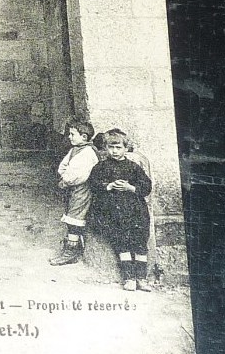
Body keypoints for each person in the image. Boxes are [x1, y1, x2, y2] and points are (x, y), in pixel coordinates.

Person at [88, 128, 153, 291]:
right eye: (111, 147)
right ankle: (129, 278)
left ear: (126, 148)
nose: (115, 151)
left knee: (139, 243)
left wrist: (130, 187)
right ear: (106, 148)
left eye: (118, 147)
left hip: (136, 211)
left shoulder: (133, 167)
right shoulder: (101, 167)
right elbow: (93, 184)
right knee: (122, 243)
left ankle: (142, 278)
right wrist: (108, 186)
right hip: (115, 212)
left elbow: (146, 186)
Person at [49, 118, 99, 266]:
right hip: (74, 188)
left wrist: (66, 181)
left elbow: (79, 174)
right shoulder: (75, 149)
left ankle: (71, 252)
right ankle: (71, 247)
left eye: (72, 134)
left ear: (84, 137)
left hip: (83, 190)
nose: (69, 137)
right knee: (71, 215)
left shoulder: (88, 152)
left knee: (75, 219)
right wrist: (64, 176)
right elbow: (63, 165)